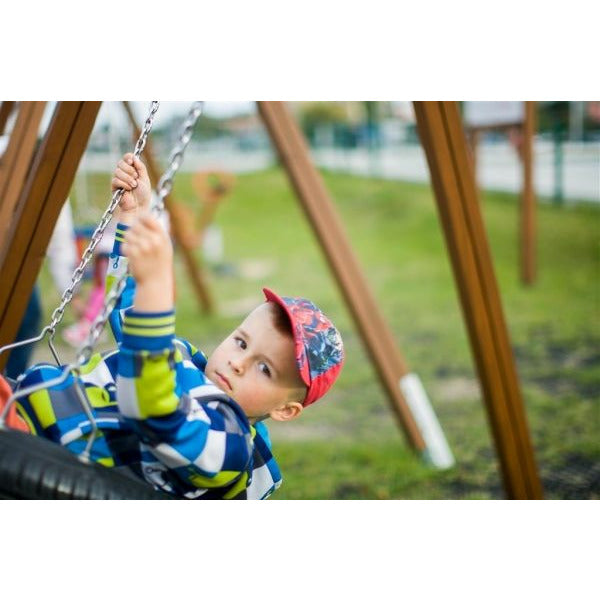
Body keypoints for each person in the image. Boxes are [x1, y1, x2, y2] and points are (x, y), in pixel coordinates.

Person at [14, 153, 345, 500]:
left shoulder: (228, 448)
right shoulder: (184, 358)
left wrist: (159, 282)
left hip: (31, 454)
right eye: (242, 343)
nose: (238, 362)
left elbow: (154, 411)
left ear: (284, 410)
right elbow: (128, 312)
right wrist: (135, 218)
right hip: (21, 401)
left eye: (265, 369)